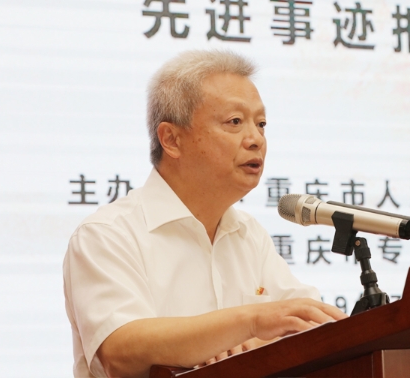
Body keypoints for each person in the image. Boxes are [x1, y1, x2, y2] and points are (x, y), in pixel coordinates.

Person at [63, 50, 346, 378]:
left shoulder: (248, 234)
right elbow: (122, 350)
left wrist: (256, 343)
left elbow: (312, 323)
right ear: (171, 139)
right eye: (235, 122)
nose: (256, 139)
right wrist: (250, 323)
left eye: (261, 124)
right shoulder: (107, 234)